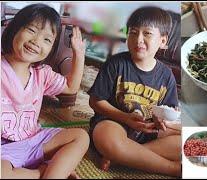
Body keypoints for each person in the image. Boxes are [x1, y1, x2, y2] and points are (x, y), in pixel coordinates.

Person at [88, 6, 181, 177]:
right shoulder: (115, 63)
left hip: (147, 131)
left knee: (184, 141)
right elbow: (95, 101)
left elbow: (168, 112)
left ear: (163, 41)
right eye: (133, 32)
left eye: (147, 34)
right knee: (105, 136)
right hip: (115, 123)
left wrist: (161, 120)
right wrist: (124, 118)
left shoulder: (166, 75)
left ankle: (123, 156)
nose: (138, 39)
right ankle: (173, 169)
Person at [1, 3, 89, 179]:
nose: (36, 41)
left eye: (47, 39)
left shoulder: (43, 73)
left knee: (80, 136)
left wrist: (79, 54)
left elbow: (71, 87)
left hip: (34, 140)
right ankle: (42, 172)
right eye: (32, 30)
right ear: (13, 28)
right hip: (3, 150)